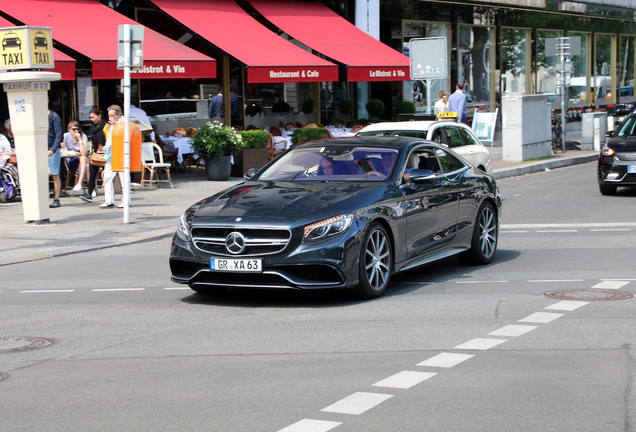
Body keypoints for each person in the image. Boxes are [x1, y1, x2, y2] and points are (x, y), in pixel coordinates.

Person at [101, 105, 130, 209]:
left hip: (121, 153)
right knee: (107, 177)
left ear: (118, 114)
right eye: (109, 116)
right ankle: (109, 200)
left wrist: (116, 125)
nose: (110, 118)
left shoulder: (123, 123)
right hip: (111, 154)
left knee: (123, 178)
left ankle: (126, 200)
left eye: (112, 115)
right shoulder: (111, 124)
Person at [79, 108, 108, 203]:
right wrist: (91, 153)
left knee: (107, 176)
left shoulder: (106, 126)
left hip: (105, 153)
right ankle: (89, 193)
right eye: (91, 117)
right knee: (92, 175)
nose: (92, 119)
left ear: (99, 116)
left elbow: (108, 139)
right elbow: (92, 142)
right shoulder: (93, 128)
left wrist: (107, 150)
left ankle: (108, 196)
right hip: (96, 153)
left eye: (94, 117)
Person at [61, 121, 89, 192]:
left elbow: (84, 153)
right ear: (69, 130)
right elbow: (62, 149)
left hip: (81, 159)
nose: (76, 131)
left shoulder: (83, 136)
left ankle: (79, 183)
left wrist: (79, 140)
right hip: (71, 159)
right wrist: (73, 153)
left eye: (77, 129)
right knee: (87, 165)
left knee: (83, 159)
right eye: (74, 129)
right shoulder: (66, 136)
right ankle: (91, 189)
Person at [47, 109, 64, 208]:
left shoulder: (54, 116)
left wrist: (53, 149)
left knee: (54, 174)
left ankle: (56, 198)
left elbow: (58, 134)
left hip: (51, 148)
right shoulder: (36, 115)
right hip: (40, 148)